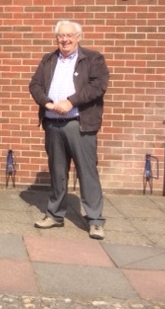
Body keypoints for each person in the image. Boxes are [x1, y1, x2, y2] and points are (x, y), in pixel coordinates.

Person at [28, 20, 109, 240]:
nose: (65, 40)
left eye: (69, 35)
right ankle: (55, 215)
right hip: (53, 123)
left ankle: (95, 220)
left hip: (79, 124)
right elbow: (34, 85)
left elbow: (98, 86)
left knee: (87, 171)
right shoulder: (48, 59)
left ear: (78, 37)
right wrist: (46, 103)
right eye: (61, 36)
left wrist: (71, 101)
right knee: (57, 172)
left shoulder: (93, 59)